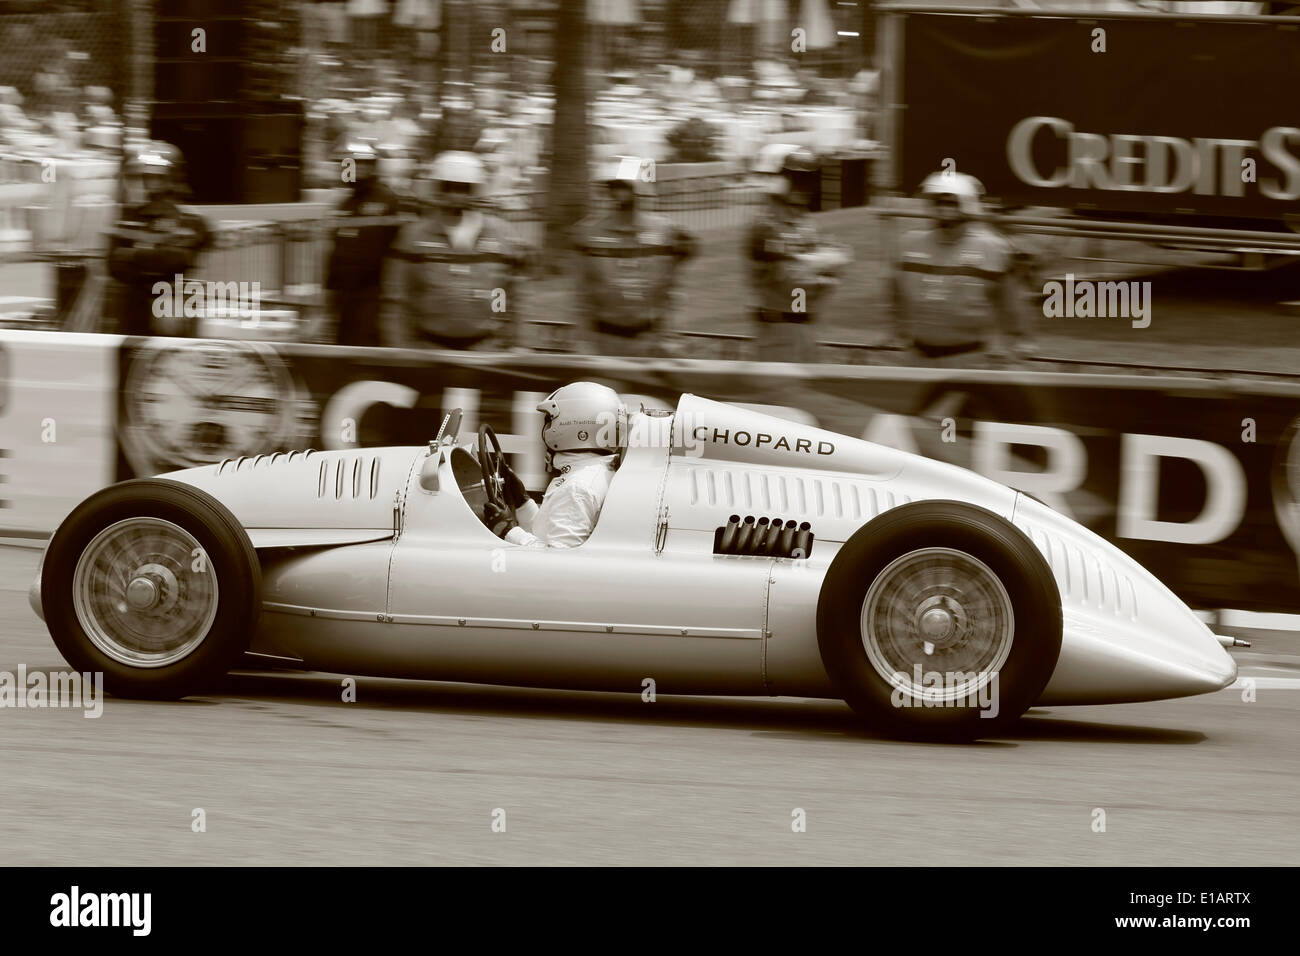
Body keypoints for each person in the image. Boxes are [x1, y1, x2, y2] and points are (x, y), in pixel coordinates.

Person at [381, 150, 529, 350]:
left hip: (485, 349)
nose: (455, 195)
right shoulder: (414, 236)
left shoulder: (500, 234)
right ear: (437, 188)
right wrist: (399, 348)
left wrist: (510, 340)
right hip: (427, 349)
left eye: (463, 188)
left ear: (476, 189)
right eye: (448, 187)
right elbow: (397, 298)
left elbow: (507, 292)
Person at [889, 170, 1026, 366]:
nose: (944, 207)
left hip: (969, 358)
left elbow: (1012, 302)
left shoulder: (993, 248)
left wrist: (1017, 340)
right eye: (939, 201)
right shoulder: (909, 244)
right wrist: (898, 329)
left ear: (968, 204)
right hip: (917, 355)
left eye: (951, 202)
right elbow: (894, 290)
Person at [572, 156, 696, 357]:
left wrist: (671, 336)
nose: (615, 193)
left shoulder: (666, 232)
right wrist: (582, 339)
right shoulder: (588, 234)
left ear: (638, 189)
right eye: (612, 186)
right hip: (603, 340)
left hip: (649, 342)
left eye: (621, 186)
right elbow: (581, 292)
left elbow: (673, 289)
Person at [484, 382, 623, 549]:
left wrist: (507, 531)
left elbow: (557, 559)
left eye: (550, 420)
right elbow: (548, 532)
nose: (546, 428)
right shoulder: (592, 474)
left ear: (574, 423)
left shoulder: (576, 488)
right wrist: (523, 502)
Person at [746, 143, 850, 363]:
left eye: (808, 179)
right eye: (797, 179)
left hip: (805, 328)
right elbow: (793, 280)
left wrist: (811, 264)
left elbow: (842, 260)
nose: (805, 187)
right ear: (777, 179)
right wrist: (823, 264)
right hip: (778, 334)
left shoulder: (803, 222)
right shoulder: (765, 226)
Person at [104, 141, 211, 336]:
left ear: (173, 176)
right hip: (133, 309)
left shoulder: (191, 219)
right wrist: (153, 253)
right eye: (148, 175)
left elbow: (176, 260)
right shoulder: (129, 217)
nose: (151, 181)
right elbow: (114, 264)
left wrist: (134, 254)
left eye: (158, 175)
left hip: (174, 304)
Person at [324, 141, 404, 346]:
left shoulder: (387, 200)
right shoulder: (344, 204)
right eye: (348, 165)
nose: (352, 170)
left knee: (365, 344)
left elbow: (395, 248)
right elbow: (335, 251)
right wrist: (329, 292)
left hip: (373, 293)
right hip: (344, 294)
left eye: (359, 165)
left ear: (371, 167)